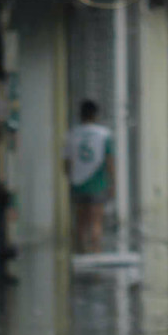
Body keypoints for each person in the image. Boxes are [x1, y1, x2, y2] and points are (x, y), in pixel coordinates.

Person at [66, 100, 115, 254]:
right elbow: (109, 161)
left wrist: (72, 179)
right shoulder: (105, 134)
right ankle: (95, 251)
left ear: (81, 114)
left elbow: (66, 164)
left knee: (80, 221)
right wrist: (112, 183)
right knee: (96, 221)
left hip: (78, 183)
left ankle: (80, 251)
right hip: (98, 183)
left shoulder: (71, 134)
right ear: (95, 115)